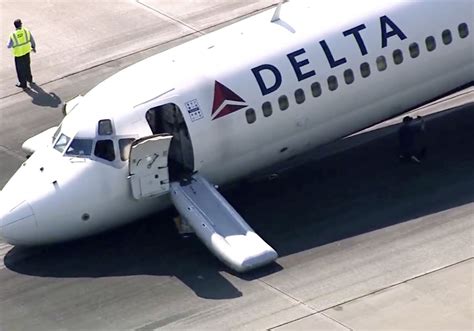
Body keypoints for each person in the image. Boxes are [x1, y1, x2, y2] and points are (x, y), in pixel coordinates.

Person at [7, 19, 36, 88]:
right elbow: (32, 40)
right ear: (21, 24)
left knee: (20, 70)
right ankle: (30, 80)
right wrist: (33, 47)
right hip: (26, 53)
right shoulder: (26, 31)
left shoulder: (13, 35)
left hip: (18, 55)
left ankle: (23, 84)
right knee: (27, 67)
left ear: (15, 26)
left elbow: (9, 46)